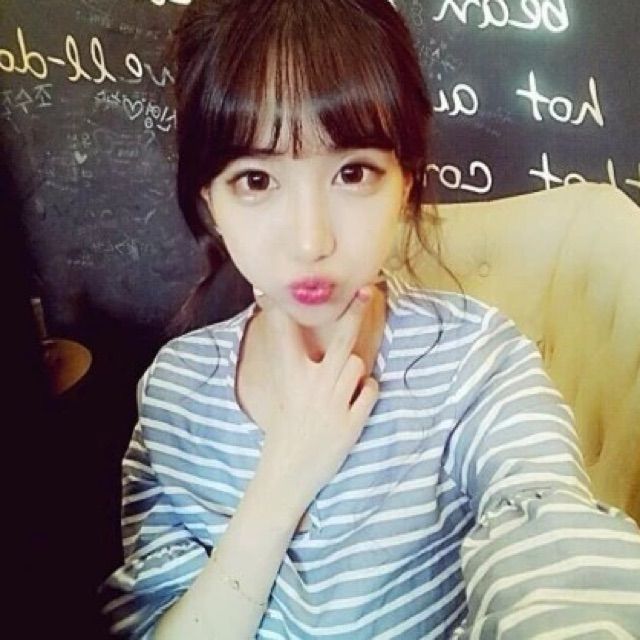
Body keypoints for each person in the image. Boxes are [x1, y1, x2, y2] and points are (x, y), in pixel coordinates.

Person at [100, 1, 640, 638]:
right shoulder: (174, 392)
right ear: (209, 200)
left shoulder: (477, 361)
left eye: (353, 172)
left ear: (405, 182)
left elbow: (551, 540)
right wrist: (283, 477)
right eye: (256, 180)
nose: (311, 241)